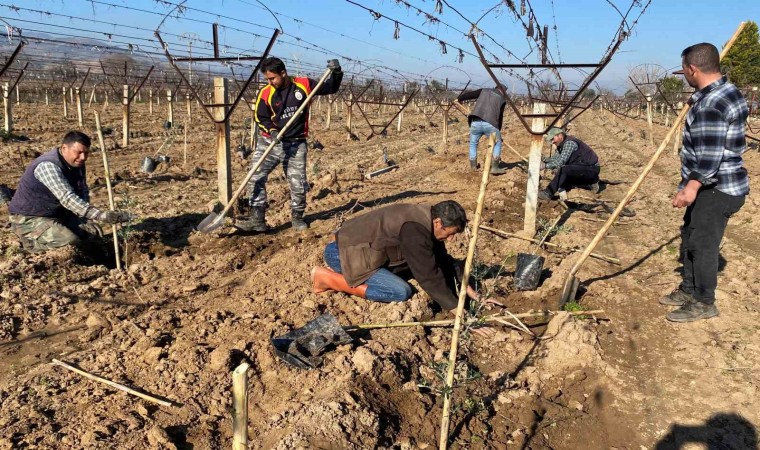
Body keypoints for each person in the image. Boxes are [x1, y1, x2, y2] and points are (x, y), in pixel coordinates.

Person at [661, 43, 749, 323]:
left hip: (716, 187)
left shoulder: (711, 104)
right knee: (690, 235)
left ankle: (703, 301)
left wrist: (690, 186)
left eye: (684, 70)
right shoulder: (724, 91)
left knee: (702, 244)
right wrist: (695, 97)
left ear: (692, 69)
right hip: (714, 184)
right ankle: (689, 288)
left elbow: (709, 157)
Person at [236, 57, 343, 233]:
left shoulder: (304, 84)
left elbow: (331, 87)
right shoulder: (265, 93)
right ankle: (257, 219)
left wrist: (337, 72)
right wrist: (271, 130)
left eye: (272, 78)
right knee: (255, 175)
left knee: (297, 182)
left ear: (283, 73)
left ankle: (297, 217)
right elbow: (260, 117)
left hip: (295, 143)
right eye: (267, 79)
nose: (270, 82)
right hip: (270, 141)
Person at [310, 200, 478, 311]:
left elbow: (439, 257)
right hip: (343, 255)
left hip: (361, 251)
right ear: (438, 222)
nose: (450, 239)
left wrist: (464, 284)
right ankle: (327, 278)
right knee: (399, 291)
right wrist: (454, 308)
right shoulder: (415, 230)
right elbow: (428, 275)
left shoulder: (426, 218)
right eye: (450, 233)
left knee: (409, 272)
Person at [7, 131, 133, 252]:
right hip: (30, 218)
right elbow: (67, 198)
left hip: (57, 214)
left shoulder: (76, 164)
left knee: (93, 233)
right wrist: (100, 215)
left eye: (86, 153)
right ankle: (30, 244)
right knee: (70, 242)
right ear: (64, 148)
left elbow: (82, 190)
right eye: (78, 152)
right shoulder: (48, 166)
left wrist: (85, 218)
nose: (83, 157)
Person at [455, 86, 508, 175]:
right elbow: (500, 117)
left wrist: (459, 99)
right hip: (491, 124)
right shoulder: (502, 99)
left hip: (475, 122)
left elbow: (470, 94)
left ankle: (473, 166)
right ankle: (495, 167)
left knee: (473, 143)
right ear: (502, 91)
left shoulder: (484, 90)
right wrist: (498, 131)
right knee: (497, 143)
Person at [538, 127, 600, 200]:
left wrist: (545, 166)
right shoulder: (560, 145)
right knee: (562, 180)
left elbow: (561, 161)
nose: (552, 142)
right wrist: (544, 159)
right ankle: (590, 183)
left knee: (564, 170)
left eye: (553, 139)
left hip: (591, 169)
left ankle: (548, 193)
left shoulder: (569, 143)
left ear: (560, 136)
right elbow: (555, 159)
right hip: (582, 168)